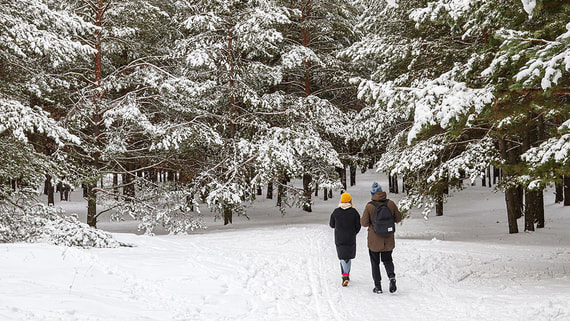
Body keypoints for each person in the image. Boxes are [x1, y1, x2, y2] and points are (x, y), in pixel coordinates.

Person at [361, 182, 402, 294]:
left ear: (372, 193)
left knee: (375, 263)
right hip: (388, 239)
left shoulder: (369, 206)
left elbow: (364, 223)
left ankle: (378, 286)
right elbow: (398, 218)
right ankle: (391, 277)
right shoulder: (391, 203)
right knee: (388, 259)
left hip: (374, 241)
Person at [329, 192, 361, 287]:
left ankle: (345, 275)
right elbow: (358, 226)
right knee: (348, 257)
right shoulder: (354, 212)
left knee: (342, 257)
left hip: (339, 238)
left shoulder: (336, 212)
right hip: (350, 238)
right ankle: (346, 275)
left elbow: (331, 225)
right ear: (350, 201)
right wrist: (354, 232)